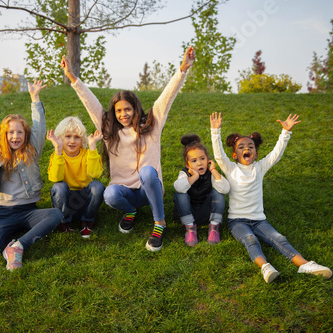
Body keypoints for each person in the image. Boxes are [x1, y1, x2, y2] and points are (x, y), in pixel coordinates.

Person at [61, 46, 196, 252]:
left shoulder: (152, 125)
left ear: (135, 109)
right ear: (113, 114)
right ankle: (130, 211)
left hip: (149, 188)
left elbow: (167, 97)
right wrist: (72, 77)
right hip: (126, 192)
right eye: (118, 111)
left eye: (127, 109)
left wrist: (183, 69)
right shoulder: (108, 130)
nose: (123, 114)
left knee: (148, 171)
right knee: (110, 195)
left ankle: (159, 223)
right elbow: (90, 102)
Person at [210, 112, 332, 283]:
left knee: (279, 238)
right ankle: (265, 267)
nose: (247, 149)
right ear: (234, 155)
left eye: (251, 147)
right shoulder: (230, 168)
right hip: (237, 221)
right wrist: (215, 131)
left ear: (256, 154)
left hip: (259, 220)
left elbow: (276, 154)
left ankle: (304, 265)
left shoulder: (259, 168)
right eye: (242, 147)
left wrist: (285, 132)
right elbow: (218, 155)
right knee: (250, 239)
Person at [0, 77, 63, 271]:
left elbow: (40, 126)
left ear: (26, 135)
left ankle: (18, 246)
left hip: (29, 211)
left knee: (56, 214)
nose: (15, 136)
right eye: (11, 133)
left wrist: (35, 97)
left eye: (20, 132)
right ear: (4, 135)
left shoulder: (32, 151)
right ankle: (17, 239)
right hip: (5, 215)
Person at [46, 116, 105, 238]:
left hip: (84, 199)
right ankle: (65, 221)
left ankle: (87, 220)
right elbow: (55, 178)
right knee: (59, 187)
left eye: (77, 137)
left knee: (97, 186)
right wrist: (58, 150)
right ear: (60, 138)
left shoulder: (88, 154)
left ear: (82, 139)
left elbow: (95, 174)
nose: (72, 141)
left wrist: (93, 148)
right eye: (68, 136)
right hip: (65, 201)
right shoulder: (57, 155)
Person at [173, 134, 229, 247]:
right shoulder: (185, 173)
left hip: (206, 214)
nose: (199, 163)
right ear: (187, 164)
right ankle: (190, 229)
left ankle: (214, 228)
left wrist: (213, 170)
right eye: (194, 161)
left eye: (202, 158)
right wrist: (194, 177)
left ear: (208, 160)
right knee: (180, 194)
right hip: (188, 212)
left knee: (218, 193)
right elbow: (178, 187)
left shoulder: (210, 173)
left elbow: (225, 189)